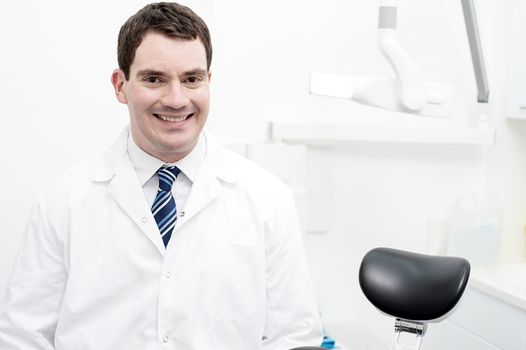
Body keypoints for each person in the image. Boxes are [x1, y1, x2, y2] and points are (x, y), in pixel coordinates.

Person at [0, 2, 323, 349]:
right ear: (120, 85)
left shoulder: (267, 199)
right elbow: (23, 337)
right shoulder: (63, 201)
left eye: (191, 79)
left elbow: (293, 337)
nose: (176, 98)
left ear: (208, 82)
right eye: (154, 79)